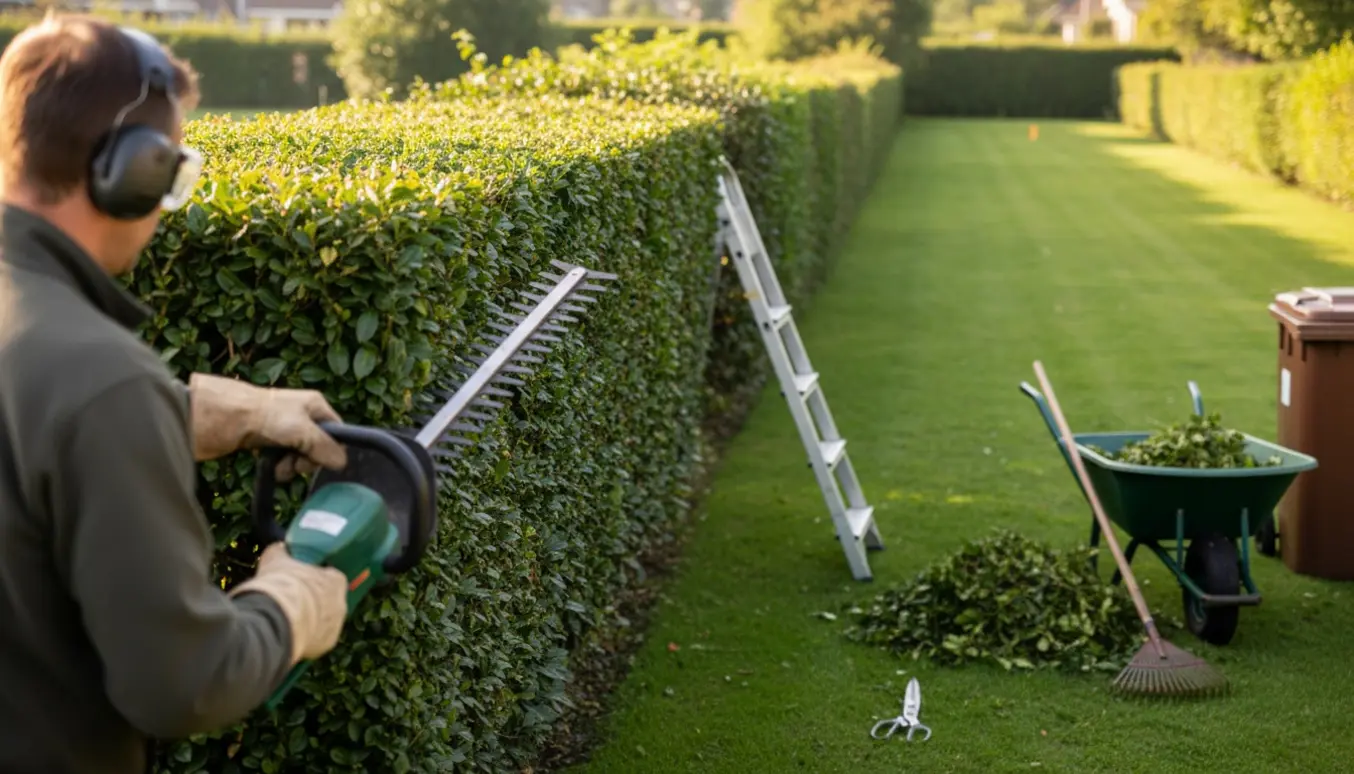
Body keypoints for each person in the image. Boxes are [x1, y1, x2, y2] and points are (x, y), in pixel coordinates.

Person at [0, 14, 353, 774]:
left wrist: (199, 409)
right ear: (132, 172)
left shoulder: (67, 361)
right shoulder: (101, 381)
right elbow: (183, 685)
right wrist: (291, 602)